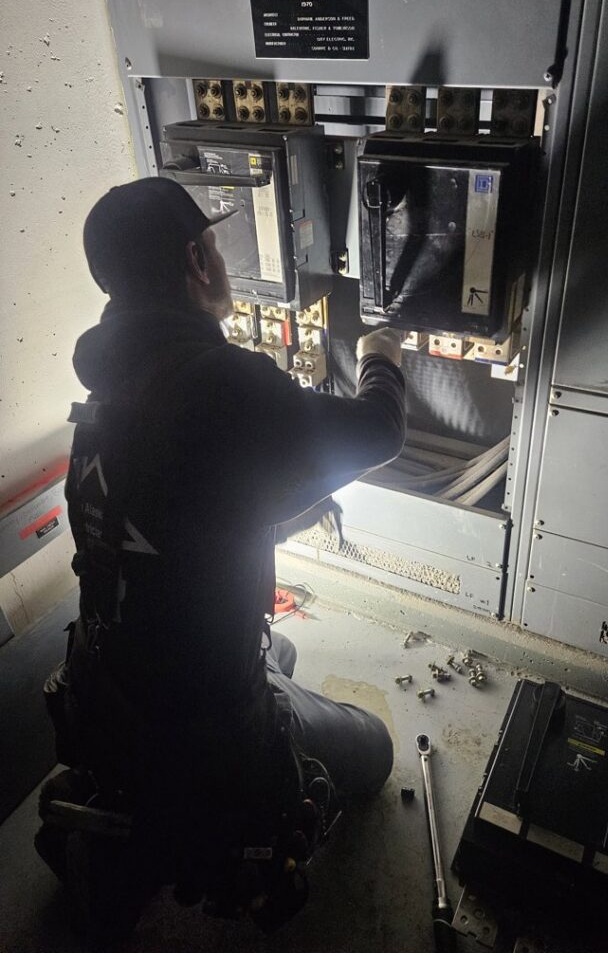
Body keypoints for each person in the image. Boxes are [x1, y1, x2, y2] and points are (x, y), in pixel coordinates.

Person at [59, 176, 406, 838]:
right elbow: (379, 433)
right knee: (377, 749)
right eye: (214, 247)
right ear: (197, 261)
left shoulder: (107, 390)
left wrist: (293, 511)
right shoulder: (220, 380)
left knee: (288, 650)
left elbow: (178, 509)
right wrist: (379, 359)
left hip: (106, 689)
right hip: (210, 725)